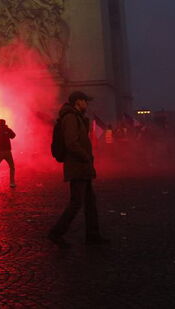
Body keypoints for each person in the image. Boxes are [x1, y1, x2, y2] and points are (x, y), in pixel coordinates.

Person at [48, 91, 107, 248]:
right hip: (77, 165)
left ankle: (93, 235)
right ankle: (56, 233)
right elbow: (71, 143)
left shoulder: (77, 117)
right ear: (78, 102)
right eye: (85, 101)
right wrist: (86, 157)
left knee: (90, 202)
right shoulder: (70, 118)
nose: (87, 104)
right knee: (76, 202)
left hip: (82, 165)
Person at [0, 119, 16, 187]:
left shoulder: (6, 130)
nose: (0, 125)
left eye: (1, 123)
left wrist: (7, 130)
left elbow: (13, 136)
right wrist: (5, 131)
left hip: (6, 151)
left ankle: (11, 182)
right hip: (0, 151)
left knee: (11, 167)